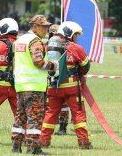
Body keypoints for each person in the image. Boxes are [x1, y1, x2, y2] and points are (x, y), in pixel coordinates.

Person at [40, 21, 92, 150]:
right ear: (70, 34)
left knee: (50, 114)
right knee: (78, 114)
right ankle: (84, 143)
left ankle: (43, 141)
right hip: (71, 88)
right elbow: (86, 67)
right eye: (76, 35)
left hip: (53, 87)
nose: (77, 38)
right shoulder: (75, 48)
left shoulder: (49, 46)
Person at [11, 15, 56, 155]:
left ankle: (16, 146)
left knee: (20, 117)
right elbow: (38, 62)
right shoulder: (35, 41)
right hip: (34, 87)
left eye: (47, 26)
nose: (46, 29)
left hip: (21, 85)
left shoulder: (20, 40)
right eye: (43, 26)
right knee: (35, 118)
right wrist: (53, 65)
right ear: (34, 26)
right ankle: (33, 148)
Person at [47, 24, 70, 136]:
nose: (54, 35)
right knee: (50, 104)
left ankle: (63, 126)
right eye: (52, 33)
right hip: (49, 77)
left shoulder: (65, 45)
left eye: (56, 33)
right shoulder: (46, 44)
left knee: (64, 105)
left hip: (62, 77)